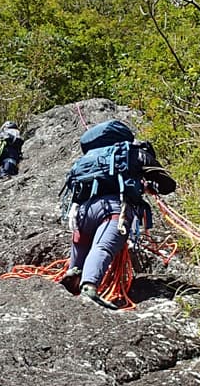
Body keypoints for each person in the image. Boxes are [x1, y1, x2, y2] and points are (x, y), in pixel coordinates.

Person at [60, 122, 176, 309]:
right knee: (103, 247)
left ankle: (74, 272)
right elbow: (167, 184)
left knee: (82, 246)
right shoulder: (130, 152)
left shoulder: (86, 159)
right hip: (114, 210)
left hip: (82, 213)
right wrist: (148, 186)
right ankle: (89, 285)